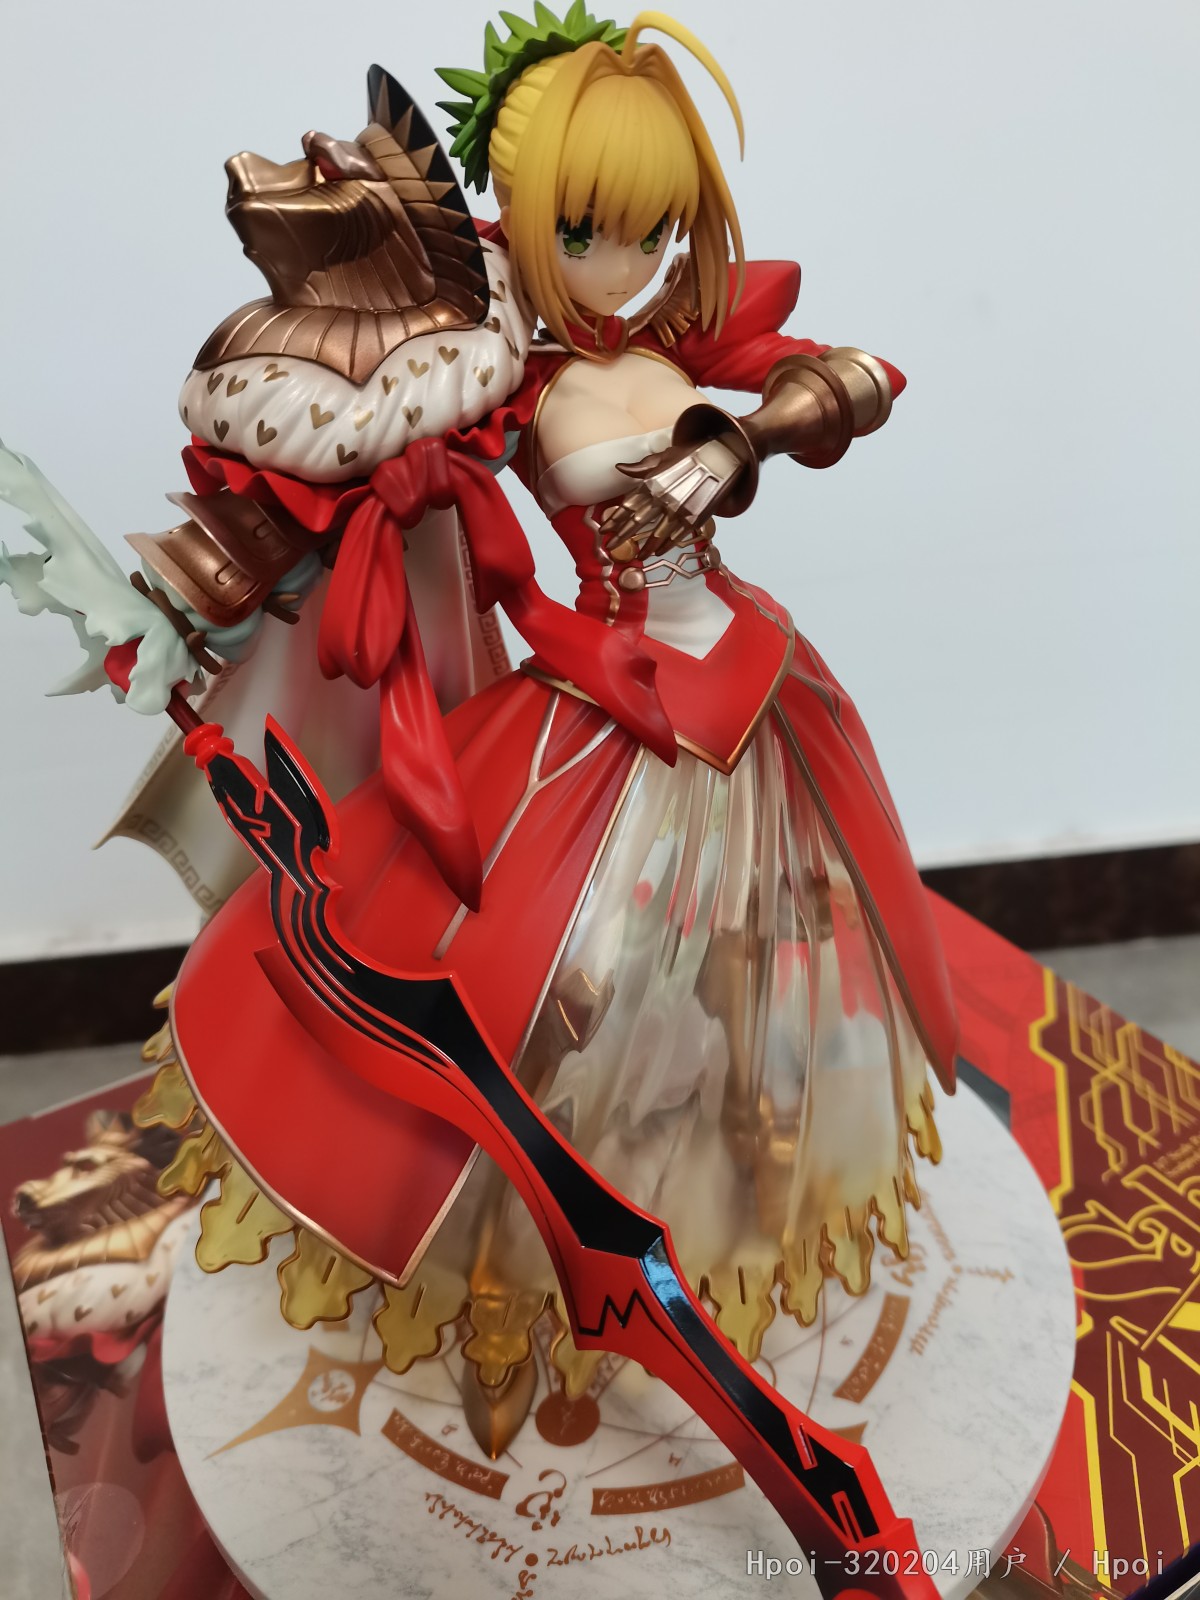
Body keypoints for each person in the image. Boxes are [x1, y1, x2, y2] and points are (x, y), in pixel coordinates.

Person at [107, 6, 958, 1459]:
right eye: (586, 231)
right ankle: (508, 1284)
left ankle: (741, 1169)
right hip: (607, 700)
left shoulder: (694, 337)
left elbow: (863, 377)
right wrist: (202, 580)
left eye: (655, 229)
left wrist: (745, 435)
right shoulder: (509, 375)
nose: (625, 266)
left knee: (770, 952)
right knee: (548, 997)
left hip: (750, 676)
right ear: (522, 220)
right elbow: (337, 486)